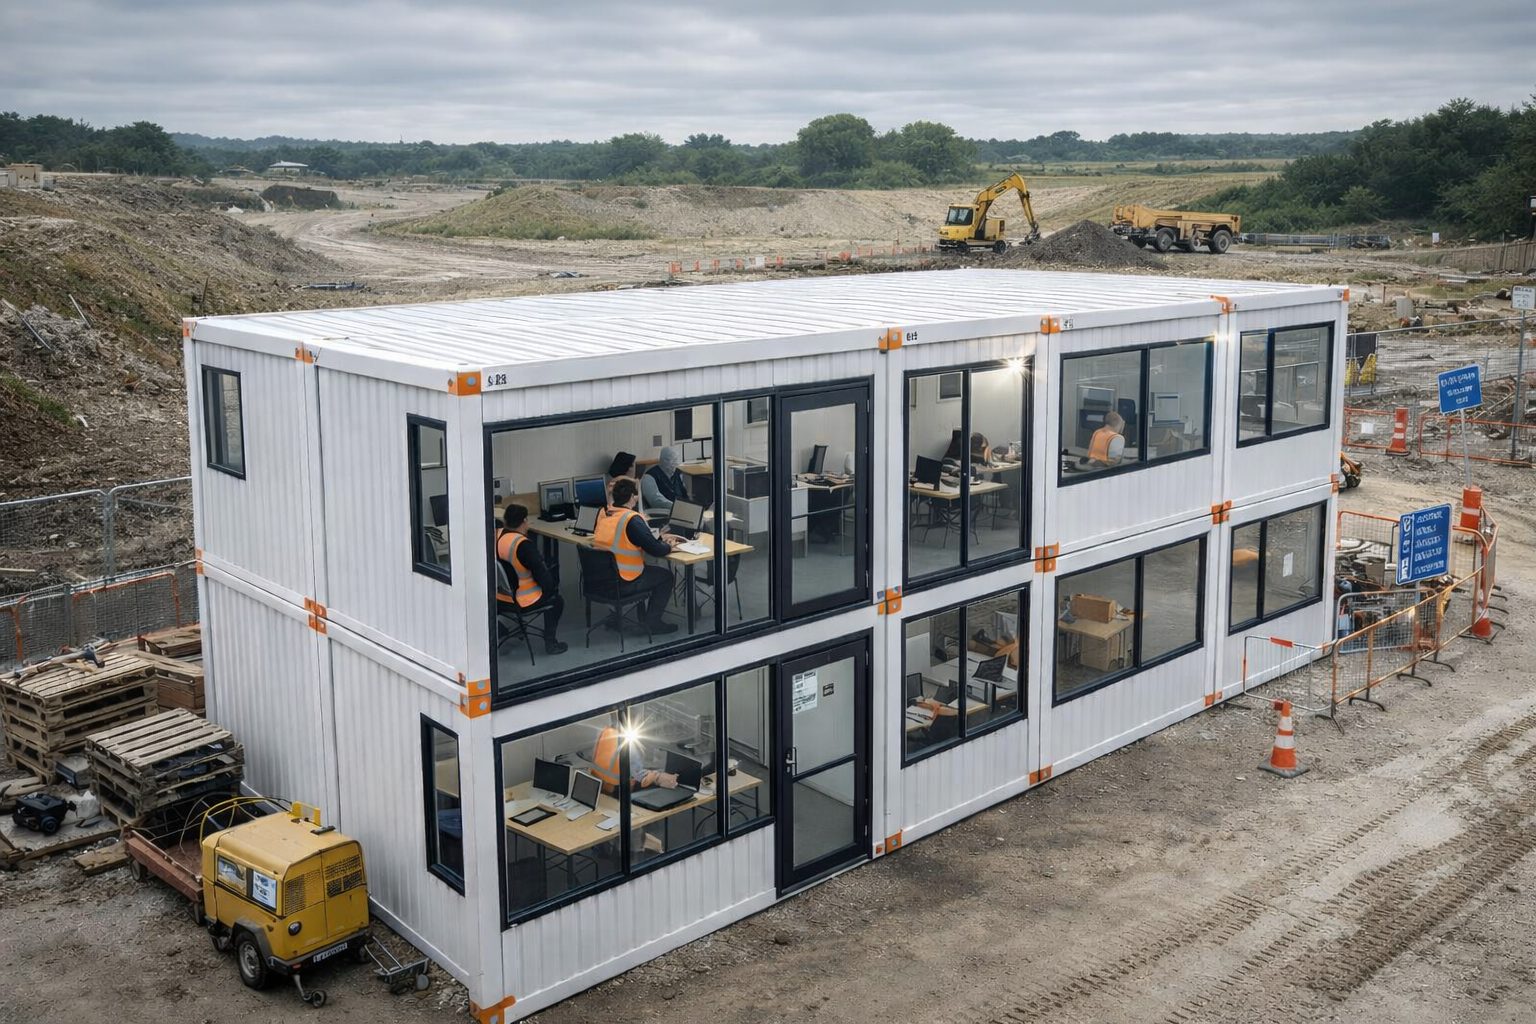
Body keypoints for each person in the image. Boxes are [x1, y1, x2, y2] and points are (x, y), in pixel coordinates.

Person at [594, 477, 680, 635]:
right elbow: (655, 550)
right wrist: (668, 546)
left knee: (651, 571)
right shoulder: (631, 519)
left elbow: (623, 540)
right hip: (624, 580)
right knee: (666, 577)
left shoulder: (605, 514)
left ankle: (617, 617)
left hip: (601, 580)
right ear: (632, 498)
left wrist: (656, 538)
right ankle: (653, 623)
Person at [494, 505, 567, 655]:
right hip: (522, 599)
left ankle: (514, 628)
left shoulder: (497, 536)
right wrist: (551, 587)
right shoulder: (523, 545)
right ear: (524, 521)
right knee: (556, 601)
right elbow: (543, 578)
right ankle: (551, 643)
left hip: (500, 598)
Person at [591, 712, 679, 793]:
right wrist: (657, 777)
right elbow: (643, 779)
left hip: (603, 786)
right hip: (619, 791)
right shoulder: (625, 741)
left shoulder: (606, 732)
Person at [641, 445, 688, 514]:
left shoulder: (678, 473)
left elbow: (684, 493)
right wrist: (677, 507)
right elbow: (655, 501)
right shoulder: (649, 476)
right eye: (672, 460)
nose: (675, 463)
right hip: (662, 512)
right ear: (663, 460)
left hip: (680, 512)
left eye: (676, 460)